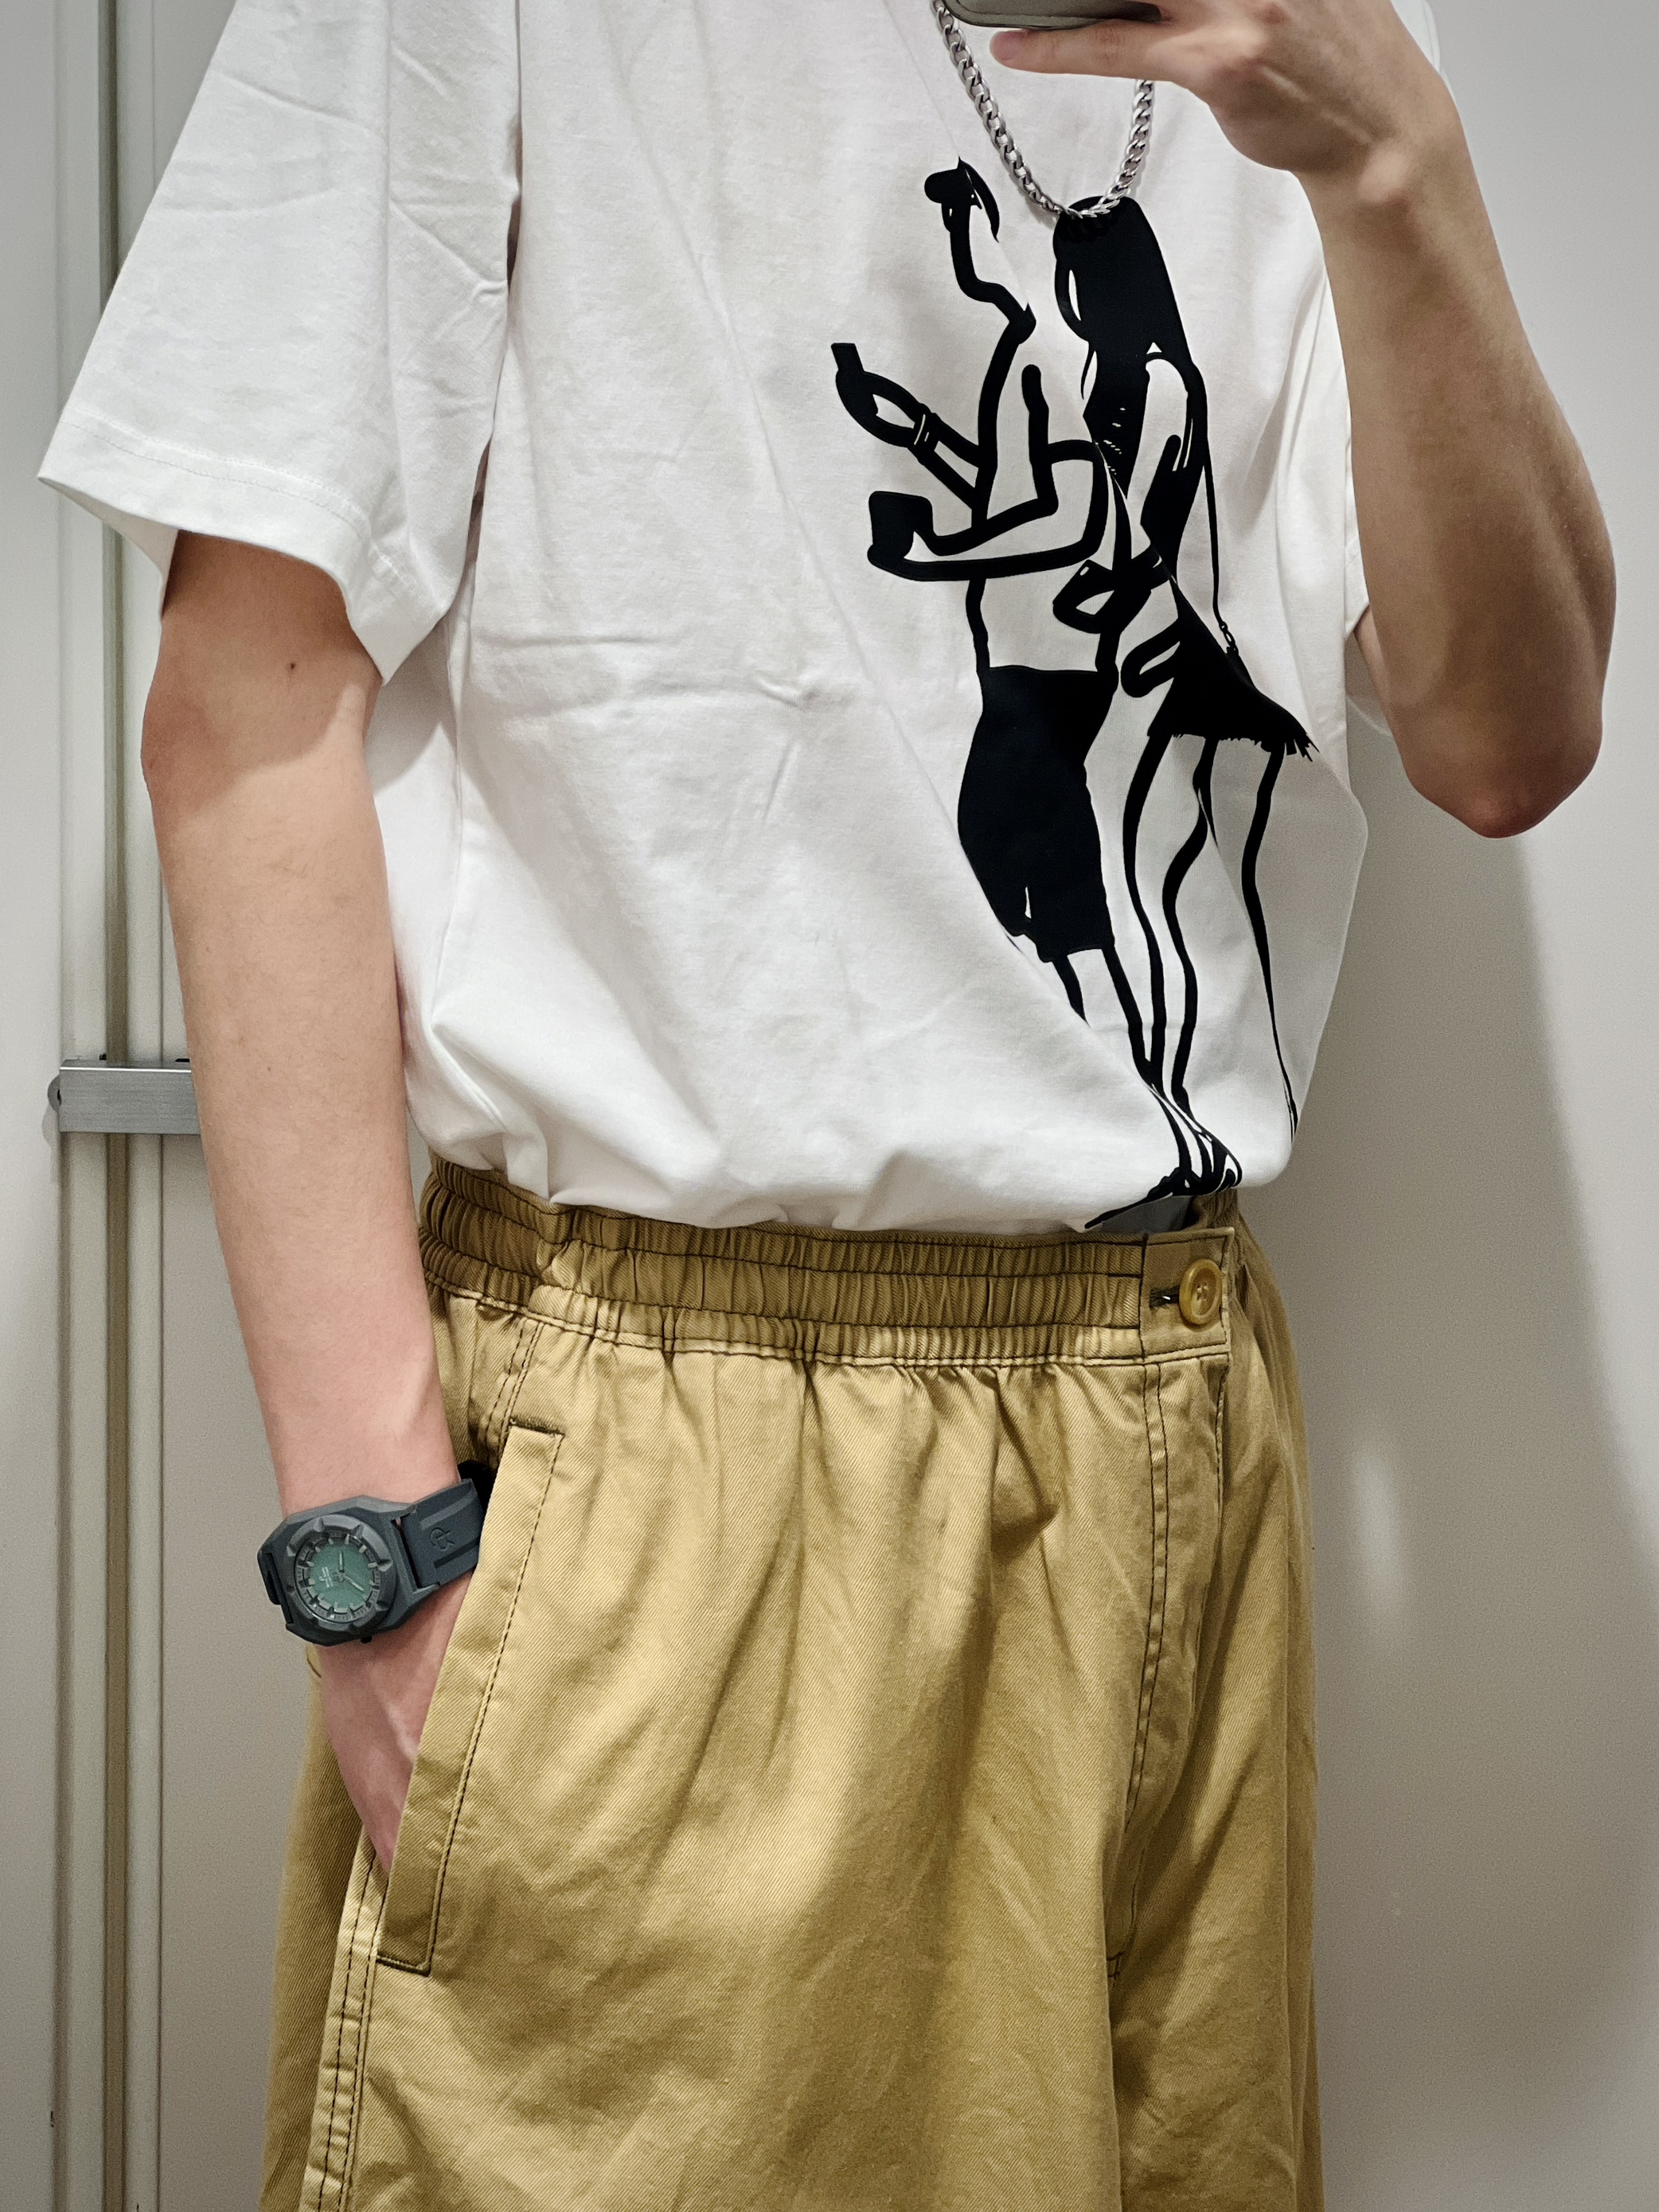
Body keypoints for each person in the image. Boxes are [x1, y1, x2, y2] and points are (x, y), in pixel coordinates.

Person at [41, 0, 1611, 2205]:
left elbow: (1509, 739)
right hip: (681, 1471)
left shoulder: (1321, 43)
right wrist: (377, 1557)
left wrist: (1392, 168)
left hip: (1167, 1415)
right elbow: (246, 694)